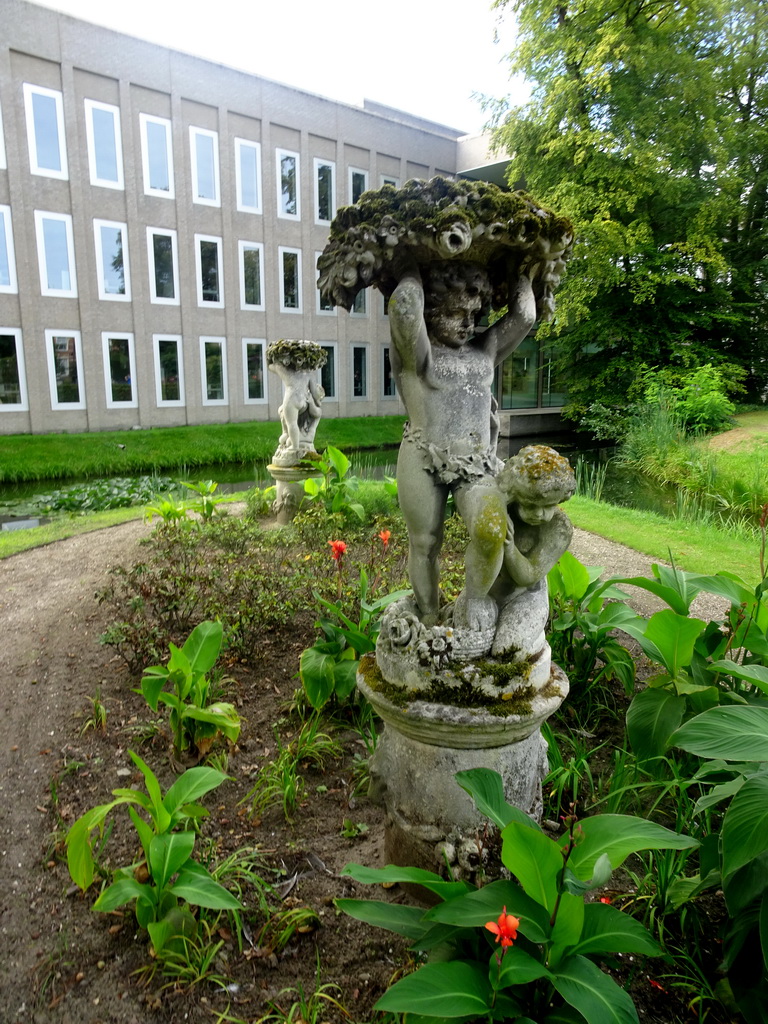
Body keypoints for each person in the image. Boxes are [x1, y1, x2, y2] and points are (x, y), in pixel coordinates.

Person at [388, 259, 537, 629]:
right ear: (433, 310)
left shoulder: (484, 352)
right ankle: (428, 614)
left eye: (475, 313)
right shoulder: (417, 358)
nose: (469, 323)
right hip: (423, 455)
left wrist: (523, 262)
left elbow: (525, 317)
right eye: (458, 312)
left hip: (476, 464)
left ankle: (473, 604)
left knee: (491, 530)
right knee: (425, 543)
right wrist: (412, 257)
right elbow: (404, 306)